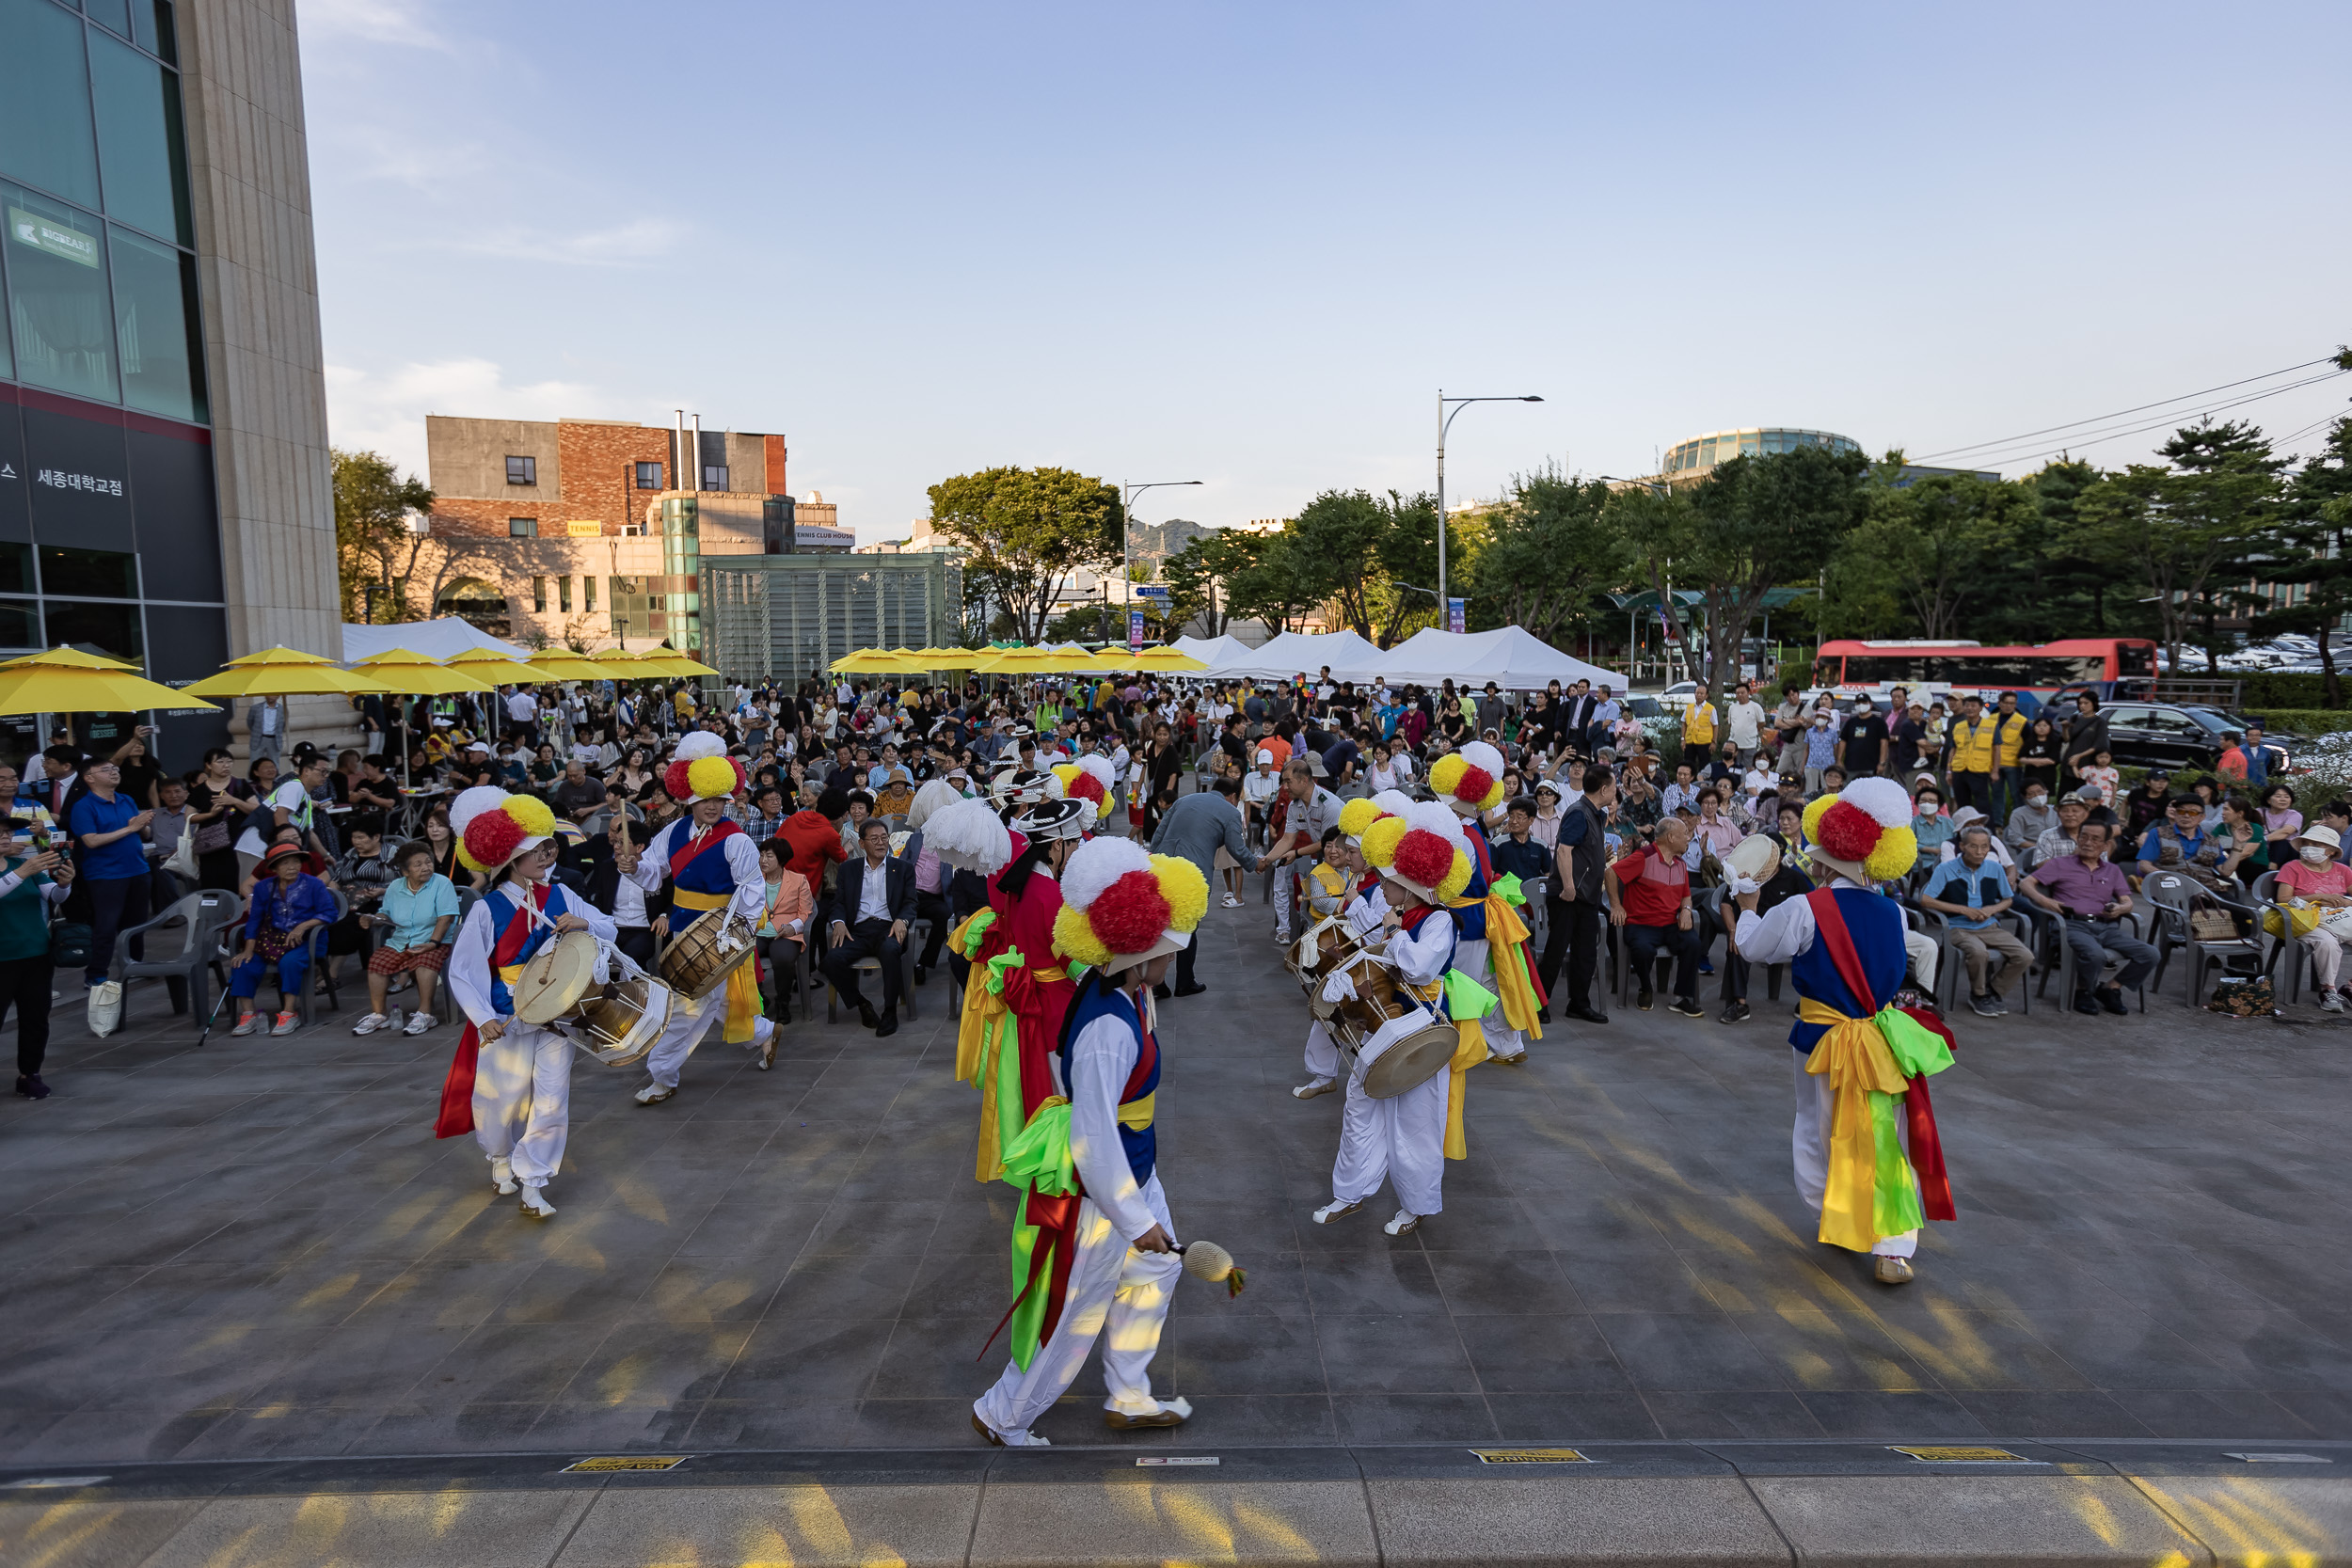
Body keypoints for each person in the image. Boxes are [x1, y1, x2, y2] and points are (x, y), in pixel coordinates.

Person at [970, 840, 1205, 1448]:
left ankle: (1129, 1391)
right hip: (1104, 1192)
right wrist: (1133, 1217)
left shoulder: (1118, 990)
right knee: (1071, 1313)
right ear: (1140, 954)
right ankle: (1003, 1413)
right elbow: (1093, 1135)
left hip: (1132, 1169)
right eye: (1166, 952)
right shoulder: (1109, 1024)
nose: (1172, 960)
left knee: (1156, 1269)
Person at [1728, 775, 1959, 1284]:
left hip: (1823, 1041)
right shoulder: (1895, 913)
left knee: (1818, 1130)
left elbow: (1754, 949)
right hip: (1881, 1041)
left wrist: (1746, 910)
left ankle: (1838, 1219)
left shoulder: (1804, 907)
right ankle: (1893, 1246)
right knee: (1884, 1134)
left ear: (1822, 861)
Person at [435, 791, 615, 1218]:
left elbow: (609, 928)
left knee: (552, 1099)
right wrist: (482, 1019)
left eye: (545, 849)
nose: (544, 858)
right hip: (506, 1016)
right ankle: (499, 1155)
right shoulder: (487, 909)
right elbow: (461, 970)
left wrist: (586, 922)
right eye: (533, 852)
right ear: (510, 861)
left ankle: (534, 1181)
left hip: (559, 1014)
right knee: (502, 1101)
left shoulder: (563, 895)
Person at [1312, 803, 1487, 1236]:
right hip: (1392, 1022)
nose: (1382, 884)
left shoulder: (1438, 919)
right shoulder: (1404, 916)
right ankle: (1350, 1192)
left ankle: (1417, 1204)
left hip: (1422, 1024)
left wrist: (1395, 933)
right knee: (1361, 1099)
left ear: (1409, 888)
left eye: (1389, 881)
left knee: (1416, 1118)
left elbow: (1420, 969)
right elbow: (1383, 956)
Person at [628, 735, 782, 1103]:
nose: (713, 806)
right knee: (721, 1004)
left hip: (720, 935)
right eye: (705, 800)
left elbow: (751, 889)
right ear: (691, 799)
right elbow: (653, 872)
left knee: (687, 1006)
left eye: (719, 800)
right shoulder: (673, 832)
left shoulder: (737, 840)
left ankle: (662, 1076)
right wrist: (633, 866)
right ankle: (764, 1032)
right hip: (684, 930)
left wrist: (731, 935)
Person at [1428, 742, 1541, 1064]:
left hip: (1466, 917)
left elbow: (1450, 882)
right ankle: (1509, 1045)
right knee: (1488, 981)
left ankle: (1461, 1046)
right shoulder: (1474, 828)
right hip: (1482, 913)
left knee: (1462, 983)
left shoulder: (1460, 836)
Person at [2020, 821, 2155, 1016]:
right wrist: (2045, 901)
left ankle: (2111, 988)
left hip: (2106, 927)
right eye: (2083, 837)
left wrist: (2121, 908)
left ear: (2106, 845)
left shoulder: (2112, 870)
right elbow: (2026, 883)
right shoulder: (2061, 864)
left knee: (2150, 954)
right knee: (2095, 954)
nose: (2087, 842)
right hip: (2071, 925)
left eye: (2095, 839)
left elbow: (2127, 901)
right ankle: (2081, 990)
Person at [1149, 777, 1258, 995]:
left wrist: (1152, 860)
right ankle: (1185, 982)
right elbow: (1237, 848)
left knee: (1159, 924)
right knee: (1188, 927)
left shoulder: (1183, 801)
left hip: (1162, 866)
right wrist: (1256, 864)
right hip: (1192, 874)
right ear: (1233, 796)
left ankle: (1156, 982)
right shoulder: (1230, 812)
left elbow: (1159, 834)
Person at [70, 754, 155, 1008]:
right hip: (106, 874)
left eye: (115, 768)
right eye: (106, 770)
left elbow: (143, 832)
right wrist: (131, 827)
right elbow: (91, 841)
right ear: (89, 778)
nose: (114, 772)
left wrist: (143, 826)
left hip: (137, 869)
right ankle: (96, 974)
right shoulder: (84, 806)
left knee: (136, 923)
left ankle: (134, 965)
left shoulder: (126, 799)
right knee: (106, 926)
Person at [226, 842, 337, 1036]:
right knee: (243, 963)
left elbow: (329, 913)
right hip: (272, 941)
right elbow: (255, 920)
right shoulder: (263, 887)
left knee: (290, 962)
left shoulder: (314, 885)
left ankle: (289, 1012)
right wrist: (248, 949)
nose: (292, 867)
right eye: (285, 863)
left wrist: (303, 926)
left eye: (295, 862)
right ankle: (248, 1013)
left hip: (307, 942)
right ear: (275, 868)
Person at [1922, 825, 2033, 1016]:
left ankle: (1994, 990)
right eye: (1973, 846)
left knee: (2025, 956)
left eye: (1984, 847)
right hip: (1957, 927)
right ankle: (1979, 994)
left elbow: (2008, 899)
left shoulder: (1995, 868)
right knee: (1978, 952)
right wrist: (1962, 910)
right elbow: (1925, 899)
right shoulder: (1946, 869)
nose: (1980, 852)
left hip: (1988, 926)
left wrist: (1993, 909)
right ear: (1963, 847)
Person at [352, 839, 458, 1036]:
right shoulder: (394, 887)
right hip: (401, 941)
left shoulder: (442, 883)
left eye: (428, 862)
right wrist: (374, 919)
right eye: (418, 865)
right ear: (405, 871)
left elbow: (446, 918)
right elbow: (386, 913)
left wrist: (432, 943)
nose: (426, 867)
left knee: (425, 961)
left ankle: (425, 1013)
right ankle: (378, 1014)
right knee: (377, 962)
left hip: (436, 940)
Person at [824, 817, 916, 1037]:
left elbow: (911, 903)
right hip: (858, 931)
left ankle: (890, 1011)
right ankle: (861, 1003)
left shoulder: (902, 868)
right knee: (830, 961)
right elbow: (838, 903)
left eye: (884, 838)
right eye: (874, 838)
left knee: (891, 951)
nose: (880, 842)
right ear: (862, 843)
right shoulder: (849, 869)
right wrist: (838, 922)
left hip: (888, 928)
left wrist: (901, 920)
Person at [1608, 816, 1704, 1016]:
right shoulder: (1644, 857)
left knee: (1693, 943)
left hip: (1670, 923)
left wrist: (1686, 910)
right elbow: (1611, 873)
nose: (1688, 838)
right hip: (1641, 923)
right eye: (1684, 834)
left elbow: (1686, 895)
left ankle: (1680, 997)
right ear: (1670, 837)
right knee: (1642, 948)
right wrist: (1616, 905)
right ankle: (1645, 987)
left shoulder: (1681, 864)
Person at [1, 823, 70, 1099]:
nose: (5, 836)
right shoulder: (23, 868)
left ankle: (30, 1074)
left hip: (35, 953)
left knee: (36, 1018)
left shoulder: (23, 864)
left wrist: (65, 883)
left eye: (7, 831)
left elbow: (54, 895)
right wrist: (21, 873)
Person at [2269, 824, 2352, 1011]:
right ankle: (2327, 990)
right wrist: (2318, 897)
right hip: (2306, 920)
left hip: (2339, 917)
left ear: (2331, 851)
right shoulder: (2292, 867)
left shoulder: (2343, 870)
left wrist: (2346, 902)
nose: (2309, 846)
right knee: (2327, 943)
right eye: (2306, 842)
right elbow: (2283, 899)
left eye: (2316, 843)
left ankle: (2349, 988)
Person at [1264, 757, 1343, 945]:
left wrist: (1297, 854)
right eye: (1283, 782)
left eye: (1288, 781)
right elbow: (1287, 838)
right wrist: (1266, 860)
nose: (1284, 787)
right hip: (1328, 857)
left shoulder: (1329, 805)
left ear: (1304, 781)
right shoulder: (1295, 805)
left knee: (1329, 902)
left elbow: (1327, 842)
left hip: (1344, 860)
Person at [755, 838, 813, 1025]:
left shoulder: (798, 880)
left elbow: (805, 912)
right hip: (758, 931)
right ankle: (758, 998)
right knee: (743, 954)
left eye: (769, 856)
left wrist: (792, 927)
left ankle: (783, 1001)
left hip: (786, 932)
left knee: (782, 958)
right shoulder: (753, 880)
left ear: (781, 859)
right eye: (762, 855)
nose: (763, 860)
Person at [2004, 779, 2058, 858]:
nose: (2037, 795)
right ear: (2025, 797)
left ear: (2046, 791)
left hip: (2059, 850)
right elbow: (2015, 839)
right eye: (2031, 794)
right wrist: (2041, 848)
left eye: (2040, 791)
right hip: (2033, 852)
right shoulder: (2018, 814)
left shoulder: (2056, 811)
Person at [1836, 698, 1887, 780]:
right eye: (1858, 703)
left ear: (1870, 704)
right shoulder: (1851, 722)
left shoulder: (1879, 722)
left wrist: (1882, 763)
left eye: (1864, 702)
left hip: (1871, 765)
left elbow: (1884, 742)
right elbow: (1843, 740)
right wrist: (1839, 760)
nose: (1861, 705)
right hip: (1851, 765)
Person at [247, 694, 288, 768]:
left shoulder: (282, 709)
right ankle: (253, 779)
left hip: (274, 740)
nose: (270, 696)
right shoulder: (255, 708)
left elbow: (284, 724)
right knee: (254, 763)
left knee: (274, 763)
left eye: (273, 694)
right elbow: (250, 722)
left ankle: (275, 778)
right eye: (268, 694)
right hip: (259, 739)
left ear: (278, 696)